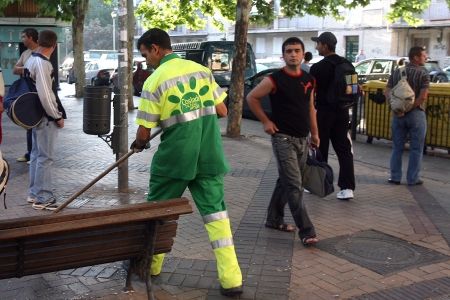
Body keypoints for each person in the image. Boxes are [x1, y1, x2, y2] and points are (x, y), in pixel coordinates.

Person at [131, 28, 243, 297]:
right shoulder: (200, 70)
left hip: (175, 161)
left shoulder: (154, 80)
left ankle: (150, 266)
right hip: (208, 156)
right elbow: (222, 110)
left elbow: (144, 131)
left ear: (156, 48)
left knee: (158, 212)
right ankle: (232, 279)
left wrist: (139, 143)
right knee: (217, 217)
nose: (146, 60)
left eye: (145, 54)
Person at [246, 37, 320, 246]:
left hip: (302, 139)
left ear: (303, 53)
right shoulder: (274, 79)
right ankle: (307, 231)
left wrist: (315, 134)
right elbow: (251, 97)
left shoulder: (309, 80)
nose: (293, 54)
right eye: (289, 51)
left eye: (297, 50)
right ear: (283, 55)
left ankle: (274, 218)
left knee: (286, 181)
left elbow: (310, 108)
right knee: (295, 185)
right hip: (283, 139)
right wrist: (265, 121)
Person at [310, 32, 356, 201]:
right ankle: (347, 188)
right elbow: (355, 90)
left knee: (320, 147)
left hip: (323, 112)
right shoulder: (347, 64)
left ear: (325, 45)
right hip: (343, 112)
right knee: (344, 150)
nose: (316, 47)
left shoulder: (317, 68)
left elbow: (310, 94)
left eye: (318, 44)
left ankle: (320, 184)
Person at [24, 30, 66, 210]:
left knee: (36, 155)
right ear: (54, 46)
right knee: (45, 157)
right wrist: (56, 115)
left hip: (35, 116)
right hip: (44, 117)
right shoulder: (42, 63)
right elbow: (46, 94)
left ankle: (34, 193)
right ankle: (44, 197)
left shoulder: (31, 59)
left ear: (39, 41)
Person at [384, 47, 430, 186]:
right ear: (415, 57)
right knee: (416, 148)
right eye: (423, 55)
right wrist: (410, 108)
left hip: (398, 114)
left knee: (397, 147)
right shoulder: (423, 73)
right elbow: (423, 96)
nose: (426, 57)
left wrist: (397, 108)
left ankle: (395, 177)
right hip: (416, 114)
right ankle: (413, 178)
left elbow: (387, 91)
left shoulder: (398, 71)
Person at [14, 28, 39, 164]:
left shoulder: (41, 51)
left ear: (30, 37)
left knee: (38, 125)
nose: (22, 39)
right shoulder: (25, 53)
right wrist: (28, 69)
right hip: (27, 92)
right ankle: (30, 153)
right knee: (29, 124)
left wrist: (25, 69)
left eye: (23, 36)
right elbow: (14, 69)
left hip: (38, 93)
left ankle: (36, 154)